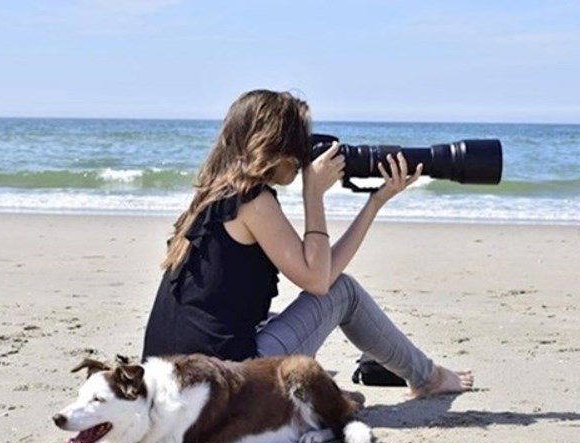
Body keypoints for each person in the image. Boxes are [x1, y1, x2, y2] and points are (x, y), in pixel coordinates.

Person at [142, 89, 473, 397]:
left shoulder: (213, 197)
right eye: (299, 143)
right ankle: (427, 377)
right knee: (345, 291)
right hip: (228, 386)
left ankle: (394, 372)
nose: (303, 156)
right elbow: (321, 282)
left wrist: (375, 202)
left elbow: (321, 275)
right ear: (273, 144)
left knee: (294, 309)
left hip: (170, 385)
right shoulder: (253, 201)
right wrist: (313, 194)